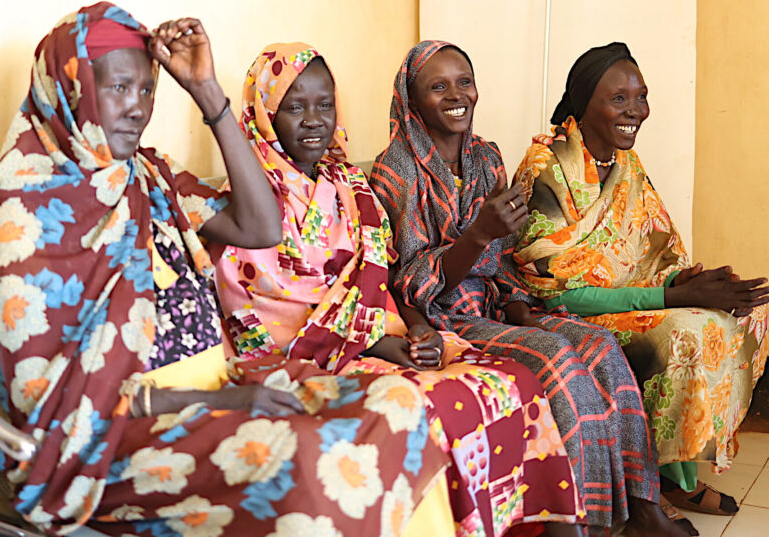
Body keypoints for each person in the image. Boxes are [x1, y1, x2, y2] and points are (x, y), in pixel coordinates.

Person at [0, 2, 450, 537]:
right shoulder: (26, 210)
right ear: (69, 89)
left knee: (399, 405)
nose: (137, 107)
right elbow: (43, 398)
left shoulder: (148, 174)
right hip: (109, 437)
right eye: (118, 88)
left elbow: (261, 227)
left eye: (147, 89)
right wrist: (216, 401)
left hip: (217, 384)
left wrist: (207, 93)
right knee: (312, 459)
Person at [214, 42, 586, 537]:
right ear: (263, 114)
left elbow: (381, 278)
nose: (314, 120)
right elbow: (265, 307)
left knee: (513, 381)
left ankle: (557, 526)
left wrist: (415, 329)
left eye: (324, 105)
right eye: (294, 107)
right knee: (448, 401)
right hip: (309, 357)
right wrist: (380, 343)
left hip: (386, 334)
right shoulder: (247, 201)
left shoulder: (349, 184)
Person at [370, 40, 690, 537]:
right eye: (438, 87)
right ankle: (584, 521)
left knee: (602, 348)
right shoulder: (396, 170)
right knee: (558, 360)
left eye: (464, 82)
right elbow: (409, 284)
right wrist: (477, 235)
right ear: (411, 99)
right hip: (446, 318)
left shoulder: (486, 157)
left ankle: (643, 505)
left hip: (497, 305)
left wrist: (517, 302)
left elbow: (504, 255)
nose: (456, 96)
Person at [513, 42, 769, 519]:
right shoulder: (547, 167)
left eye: (641, 97)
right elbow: (553, 288)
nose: (636, 111)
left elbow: (653, 251)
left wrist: (692, 280)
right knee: (685, 333)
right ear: (584, 102)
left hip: (633, 301)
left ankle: (679, 469)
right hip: (567, 311)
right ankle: (662, 484)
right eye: (619, 99)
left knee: (745, 314)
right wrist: (675, 296)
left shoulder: (625, 164)